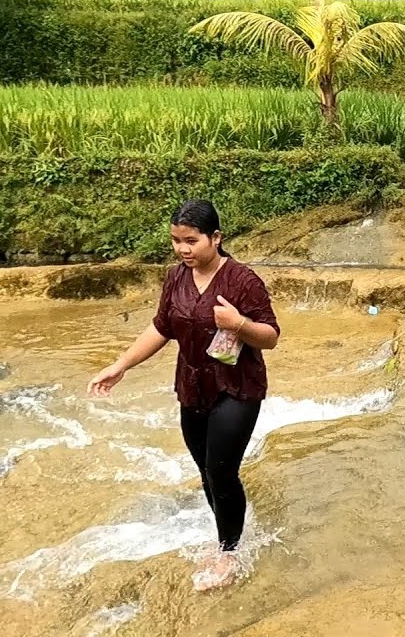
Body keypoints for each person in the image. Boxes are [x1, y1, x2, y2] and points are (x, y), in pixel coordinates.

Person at [88, 200, 280, 592]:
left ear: (216, 238)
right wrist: (121, 364)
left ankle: (229, 552)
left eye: (191, 241)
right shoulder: (176, 278)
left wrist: (239, 323)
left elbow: (271, 337)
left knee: (221, 470)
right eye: (176, 241)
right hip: (193, 385)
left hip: (237, 387)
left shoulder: (243, 281)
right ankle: (227, 531)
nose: (183, 249)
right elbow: (161, 328)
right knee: (206, 471)